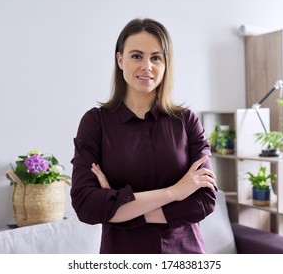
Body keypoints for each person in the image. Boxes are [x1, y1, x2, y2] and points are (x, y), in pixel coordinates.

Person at [70, 18, 217, 254]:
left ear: (166, 64)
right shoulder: (95, 123)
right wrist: (174, 192)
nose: (146, 66)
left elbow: (204, 200)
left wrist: (118, 210)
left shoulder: (187, 121)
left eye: (156, 57)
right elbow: (86, 205)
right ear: (120, 59)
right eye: (136, 56)